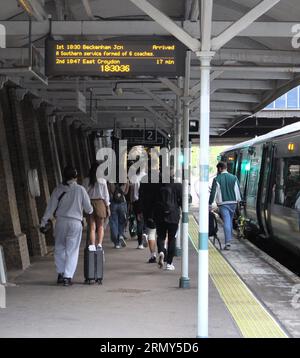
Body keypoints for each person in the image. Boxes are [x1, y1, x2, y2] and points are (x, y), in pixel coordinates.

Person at [40, 166, 93, 286]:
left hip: (61, 222)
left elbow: (50, 208)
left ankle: (60, 273)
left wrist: (43, 222)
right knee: (72, 250)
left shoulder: (58, 190)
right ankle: (67, 277)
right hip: (75, 223)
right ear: (75, 177)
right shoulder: (80, 190)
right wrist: (90, 211)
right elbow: (89, 209)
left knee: (59, 248)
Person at [209, 161, 241, 250]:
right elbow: (238, 190)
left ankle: (227, 243)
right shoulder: (234, 177)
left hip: (223, 204)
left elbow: (213, 192)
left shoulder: (217, 179)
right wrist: (239, 201)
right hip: (233, 203)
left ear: (219, 168)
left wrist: (210, 203)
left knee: (226, 221)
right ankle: (229, 239)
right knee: (230, 220)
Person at [154, 172, 182, 271]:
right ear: (172, 175)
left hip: (160, 216)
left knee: (161, 236)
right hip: (173, 216)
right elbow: (182, 201)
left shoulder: (157, 186)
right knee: (172, 239)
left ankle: (161, 251)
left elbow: (154, 201)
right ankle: (169, 263)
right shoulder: (178, 186)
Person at [83, 161, 110, 251]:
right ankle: (99, 244)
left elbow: (83, 193)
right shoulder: (102, 180)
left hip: (89, 203)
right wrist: (108, 207)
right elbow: (106, 195)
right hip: (100, 203)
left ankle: (92, 245)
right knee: (100, 226)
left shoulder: (86, 180)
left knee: (92, 226)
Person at [108, 181, 129, 248]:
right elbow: (126, 192)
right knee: (122, 222)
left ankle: (116, 243)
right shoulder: (125, 180)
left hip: (113, 203)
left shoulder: (111, 180)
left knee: (114, 222)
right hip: (122, 202)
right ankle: (120, 235)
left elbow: (110, 191)